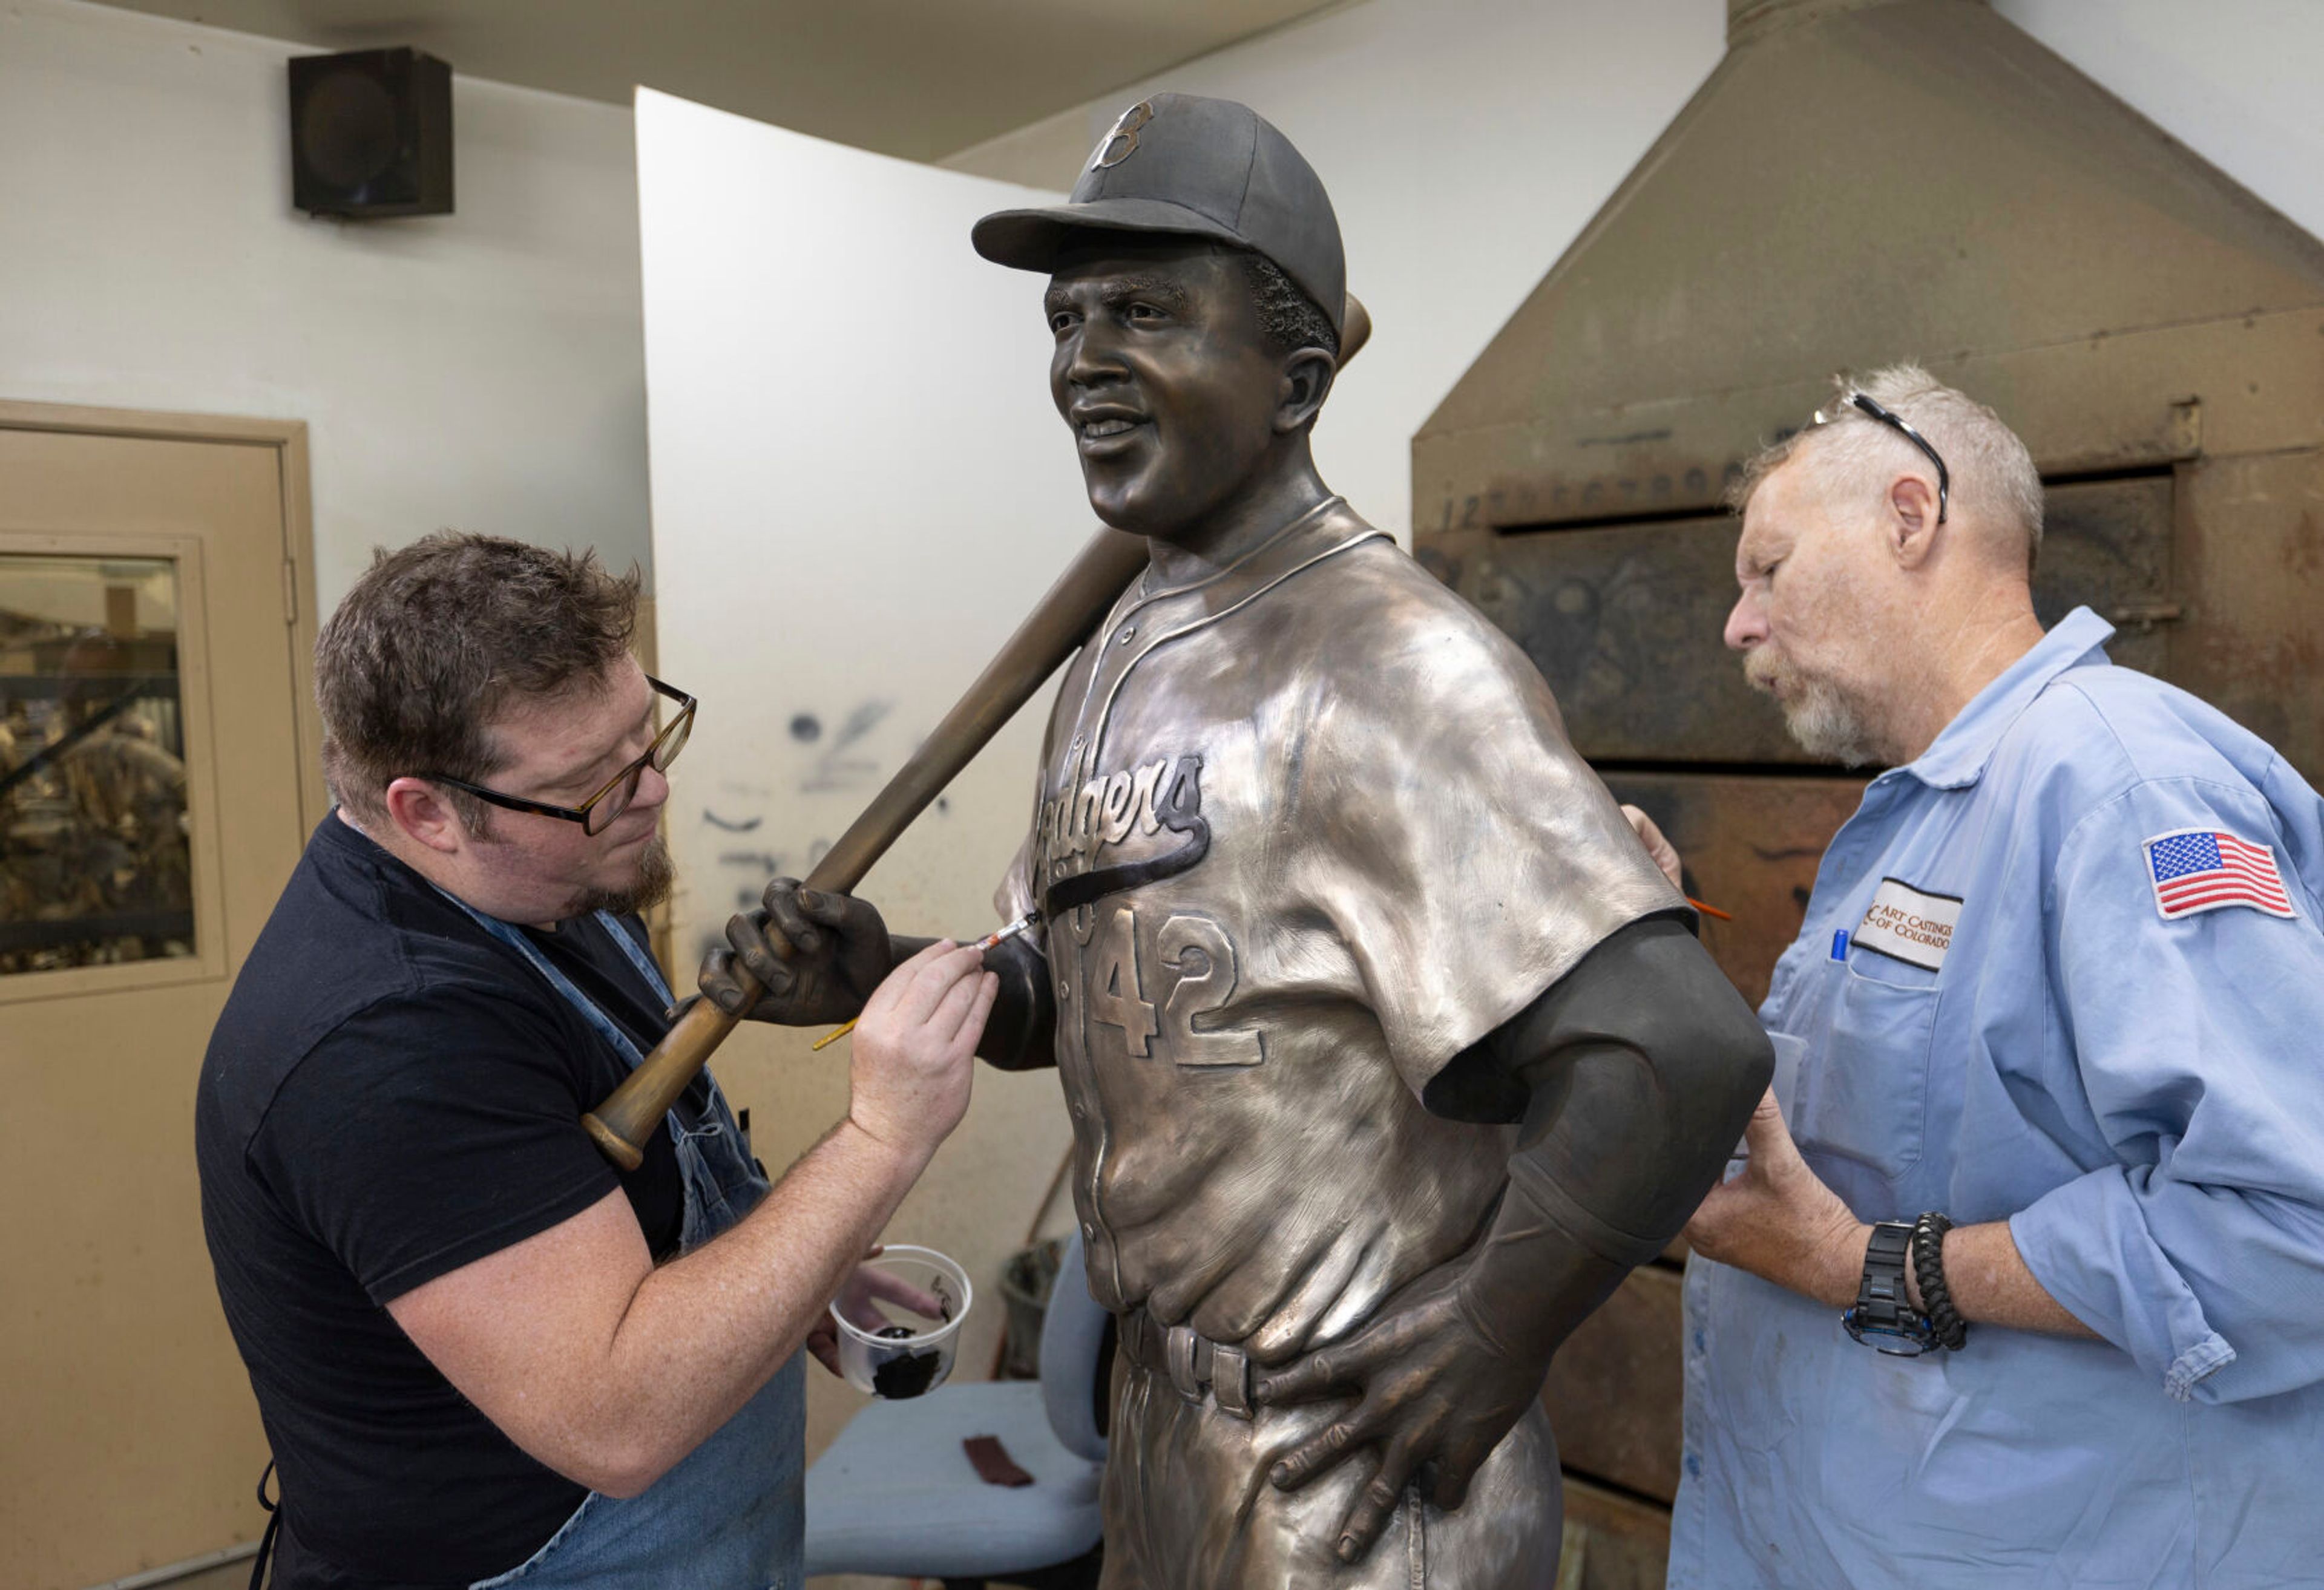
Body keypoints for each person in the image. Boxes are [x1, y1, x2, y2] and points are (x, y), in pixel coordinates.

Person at [698, 94, 1771, 1587]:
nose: (1083, 363)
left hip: (1356, 1478)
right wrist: (890, 974)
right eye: (1068, 321)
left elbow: (1676, 1051)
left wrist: (1487, 1338)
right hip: (1162, 1433)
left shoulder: (1394, 667)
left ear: (1298, 376)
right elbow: (1103, 993)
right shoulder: (1119, 646)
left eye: (1146, 311)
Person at [195, 532, 997, 1589]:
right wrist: (882, 1139)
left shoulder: (534, 880)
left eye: (647, 735)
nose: (654, 793)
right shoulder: (386, 1042)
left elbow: (605, 1200)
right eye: (590, 783)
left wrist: (794, 1269)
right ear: (426, 811)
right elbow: (617, 1416)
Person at [1664, 365, 2324, 1589]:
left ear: (1910, 518)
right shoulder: (1923, 815)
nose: (1738, 625)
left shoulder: (2119, 785)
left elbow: (2293, 1231)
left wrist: (1876, 1267)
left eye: (1769, 568)